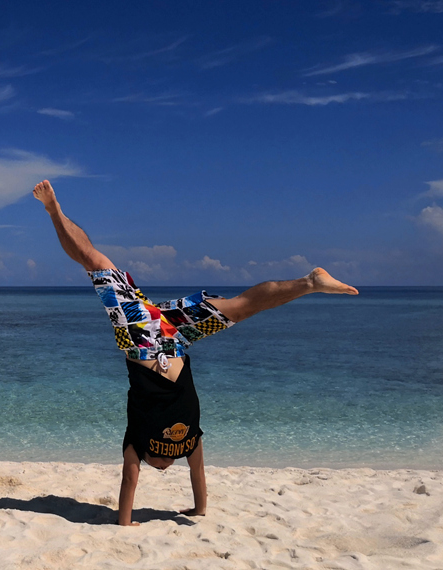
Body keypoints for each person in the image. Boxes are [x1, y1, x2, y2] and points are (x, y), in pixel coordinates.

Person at [33, 179, 358, 526]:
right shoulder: (142, 443)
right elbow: (132, 480)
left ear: (166, 456)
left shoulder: (189, 441)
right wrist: (125, 521)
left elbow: (197, 477)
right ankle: (54, 210)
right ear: (152, 456)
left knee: (241, 306)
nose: (160, 469)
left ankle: (309, 283)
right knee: (95, 262)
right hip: (152, 337)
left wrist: (196, 509)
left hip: (167, 339)